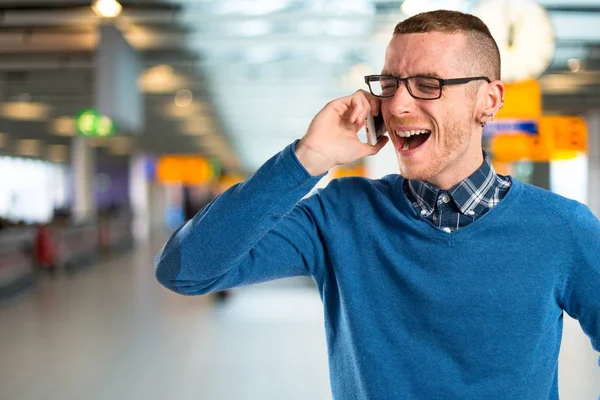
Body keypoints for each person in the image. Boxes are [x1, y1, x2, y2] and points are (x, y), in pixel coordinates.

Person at [155, 10, 600, 399]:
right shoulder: (341, 215)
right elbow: (184, 270)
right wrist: (308, 158)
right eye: (389, 84)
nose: (398, 105)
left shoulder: (562, 229)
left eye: (427, 84)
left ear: (489, 101)